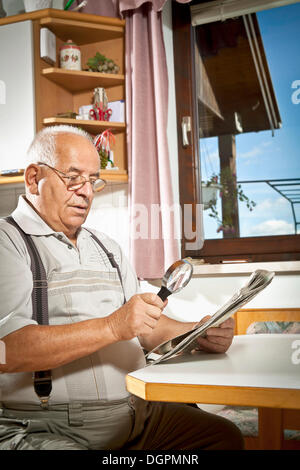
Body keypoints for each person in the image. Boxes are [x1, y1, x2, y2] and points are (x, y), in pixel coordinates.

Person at [0, 125, 243, 450]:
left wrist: (197, 333)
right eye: (73, 178)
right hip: (51, 427)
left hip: (138, 416)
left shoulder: (107, 247)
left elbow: (144, 327)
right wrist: (113, 326)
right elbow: (8, 349)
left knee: (221, 438)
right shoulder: (7, 242)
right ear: (33, 178)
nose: (86, 192)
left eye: (92, 181)